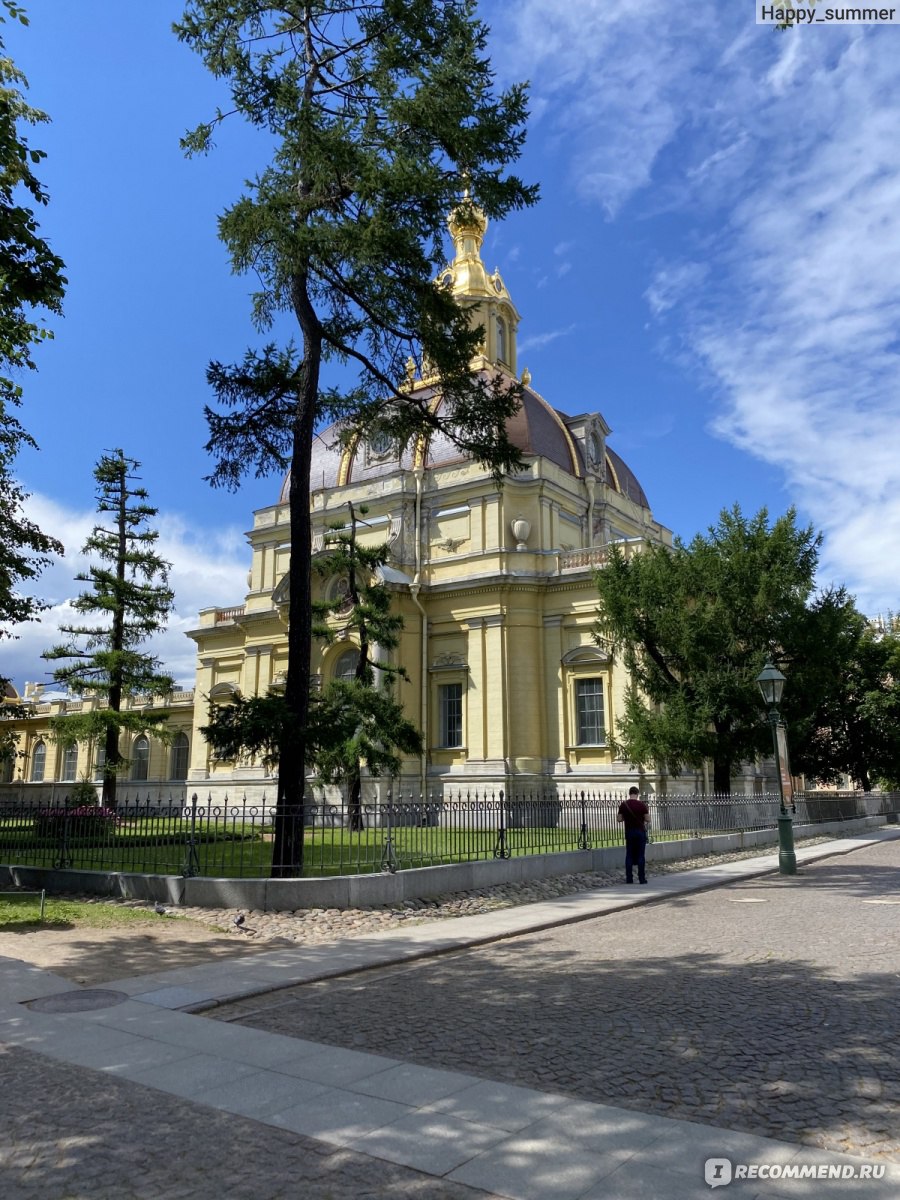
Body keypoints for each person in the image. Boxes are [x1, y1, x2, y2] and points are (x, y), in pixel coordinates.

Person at [617, 785, 649, 884]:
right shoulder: (642, 805)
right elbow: (648, 819)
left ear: (629, 793)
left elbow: (619, 819)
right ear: (637, 794)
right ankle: (642, 878)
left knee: (629, 855)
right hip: (640, 831)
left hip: (629, 831)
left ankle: (629, 878)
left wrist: (626, 818)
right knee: (640, 855)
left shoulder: (624, 805)